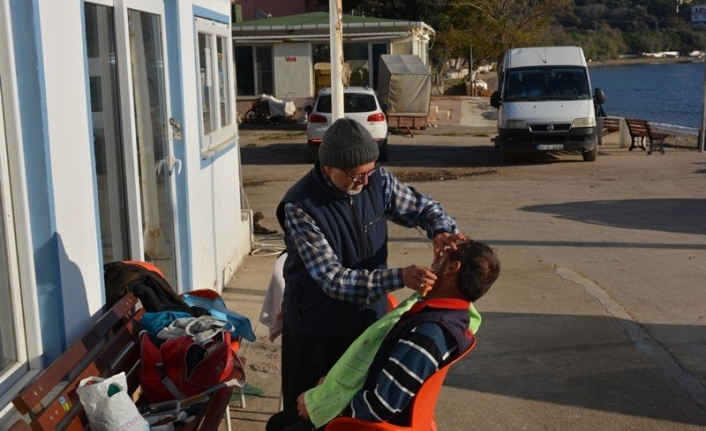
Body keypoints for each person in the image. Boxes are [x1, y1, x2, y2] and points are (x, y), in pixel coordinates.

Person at [275, 118, 467, 408]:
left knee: (352, 411)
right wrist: (399, 277)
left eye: (369, 172)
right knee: (304, 412)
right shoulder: (300, 206)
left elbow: (425, 208)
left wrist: (441, 230)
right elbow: (332, 279)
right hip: (316, 330)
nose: (364, 182)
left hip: (368, 325)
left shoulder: (377, 180)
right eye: (355, 176)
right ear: (329, 167)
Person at [266, 240, 500, 431]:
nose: (434, 259)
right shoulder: (453, 313)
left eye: (443, 257)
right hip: (372, 408)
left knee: (278, 425)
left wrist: (324, 406)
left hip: (363, 423)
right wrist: (331, 385)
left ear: (452, 268)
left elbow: (381, 405)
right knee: (281, 421)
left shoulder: (429, 332)